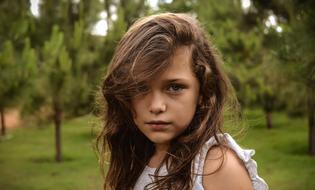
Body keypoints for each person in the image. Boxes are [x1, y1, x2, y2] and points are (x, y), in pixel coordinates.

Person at [97, 13, 268, 190]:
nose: (156, 106)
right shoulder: (138, 158)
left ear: (202, 91)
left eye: (174, 87)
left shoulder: (216, 167)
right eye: (140, 88)